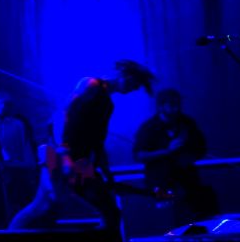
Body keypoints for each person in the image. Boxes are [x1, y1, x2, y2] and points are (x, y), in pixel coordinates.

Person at [9, 60, 156, 232]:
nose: (135, 89)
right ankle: (12, 236)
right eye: (136, 83)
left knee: (108, 212)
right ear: (125, 75)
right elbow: (63, 114)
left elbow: (98, 143)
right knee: (42, 206)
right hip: (62, 156)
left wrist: (106, 173)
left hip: (81, 161)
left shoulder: (108, 104)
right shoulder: (91, 84)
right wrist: (64, 153)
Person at [133, 88, 218, 225]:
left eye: (178, 104)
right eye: (172, 104)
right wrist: (167, 151)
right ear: (161, 106)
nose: (176, 108)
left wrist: (189, 156)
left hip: (188, 181)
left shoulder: (188, 123)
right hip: (161, 182)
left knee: (196, 216)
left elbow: (201, 148)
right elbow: (139, 155)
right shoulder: (149, 127)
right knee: (169, 221)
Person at [0, 90, 37, 214]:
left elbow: (24, 150)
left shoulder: (16, 125)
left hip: (14, 169)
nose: (2, 106)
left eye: (5, 103)